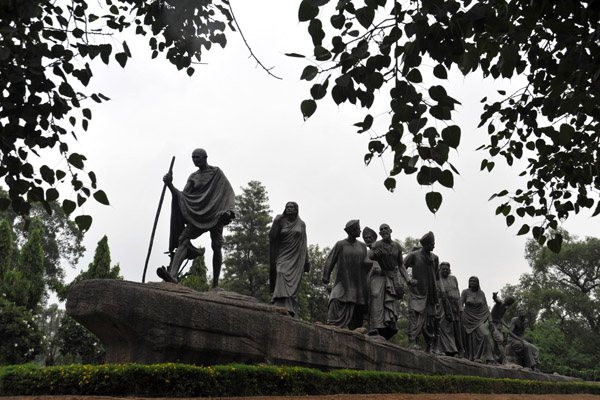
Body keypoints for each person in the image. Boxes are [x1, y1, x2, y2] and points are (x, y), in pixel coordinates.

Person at [157, 148, 235, 288]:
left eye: (197, 157)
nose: (195, 160)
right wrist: (170, 184)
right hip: (199, 216)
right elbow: (182, 197)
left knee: (216, 246)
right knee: (183, 239)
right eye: (193, 158)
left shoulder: (217, 173)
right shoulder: (193, 177)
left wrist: (228, 212)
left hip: (216, 215)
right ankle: (173, 275)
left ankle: (215, 285)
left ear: (205, 157)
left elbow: (229, 193)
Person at [322, 220, 370, 330]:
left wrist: (371, 263)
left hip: (357, 283)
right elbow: (330, 260)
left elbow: (366, 262)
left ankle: (355, 329)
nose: (360, 231)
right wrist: (326, 277)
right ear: (352, 231)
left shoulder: (362, 246)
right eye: (358, 229)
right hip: (343, 281)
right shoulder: (341, 244)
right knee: (335, 299)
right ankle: (332, 325)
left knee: (356, 307)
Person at [365, 224, 408, 340]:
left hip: (391, 277)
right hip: (379, 276)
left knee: (389, 303)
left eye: (386, 229)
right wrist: (375, 255)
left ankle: (386, 329)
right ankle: (374, 327)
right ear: (379, 234)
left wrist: (408, 280)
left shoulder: (397, 246)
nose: (384, 231)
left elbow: (401, 265)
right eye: (381, 230)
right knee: (375, 296)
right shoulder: (378, 244)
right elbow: (370, 255)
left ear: (390, 230)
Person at [269, 201, 309, 317]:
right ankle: (278, 303)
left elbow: (304, 242)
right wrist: (275, 222)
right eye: (287, 207)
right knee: (281, 272)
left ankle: (290, 307)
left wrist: (306, 260)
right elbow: (272, 237)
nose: (289, 209)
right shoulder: (281, 222)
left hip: (296, 258)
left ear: (296, 209)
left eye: (291, 207)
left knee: (293, 284)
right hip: (283, 255)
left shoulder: (301, 224)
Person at [404, 231, 440, 352]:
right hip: (417, 293)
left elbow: (435, 275)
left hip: (430, 296)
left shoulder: (435, 258)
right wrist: (408, 280)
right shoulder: (414, 255)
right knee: (414, 318)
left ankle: (429, 347)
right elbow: (401, 266)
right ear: (425, 244)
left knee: (430, 323)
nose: (434, 246)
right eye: (432, 243)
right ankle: (412, 343)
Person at [461, 276, 494, 363]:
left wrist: (490, 321)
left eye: (474, 281)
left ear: (478, 283)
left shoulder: (481, 293)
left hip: (478, 319)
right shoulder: (465, 292)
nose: (472, 282)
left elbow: (486, 308)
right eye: (470, 281)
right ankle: (471, 358)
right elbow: (460, 304)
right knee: (469, 339)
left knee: (485, 335)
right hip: (466, 318)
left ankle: (487, 358)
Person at [437, 262, 464, 356]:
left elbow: (458, 292)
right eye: (443, 269)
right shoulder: (437, 278)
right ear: (440, 269)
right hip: (443, 305)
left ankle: (454, 350)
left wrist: (461, 308)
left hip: (455, 306)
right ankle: (444, 349)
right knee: (443, 326)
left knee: (455, 329)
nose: (445, 270)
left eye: (447, 269)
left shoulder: (453, 278)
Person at [508, 304, 540, 370]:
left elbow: (522, 333)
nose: (521, 312)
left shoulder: (526, 321)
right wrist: (520, 339)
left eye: (522, 310)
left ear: (525, 311)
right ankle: (531, 366)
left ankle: (536, 364)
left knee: (536, 349)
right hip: (512, 339)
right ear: (517, 313)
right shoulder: (514, 320)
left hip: (520, 339)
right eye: (519, 311)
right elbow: (510, 332)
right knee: (526, 346)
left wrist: (522, 339)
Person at [490, 292, 516, 364]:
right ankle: (504, 360)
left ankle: (494, 359)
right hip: (493, 324)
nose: (508, 301)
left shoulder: (504, 308)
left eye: (510, 301)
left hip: (499, 325)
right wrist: (494, 296)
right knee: (499, 341)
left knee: (496, 343)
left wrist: (507, 326)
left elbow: (500, 318)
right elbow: (496, 300)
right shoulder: (499, 304)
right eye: (508, 299)